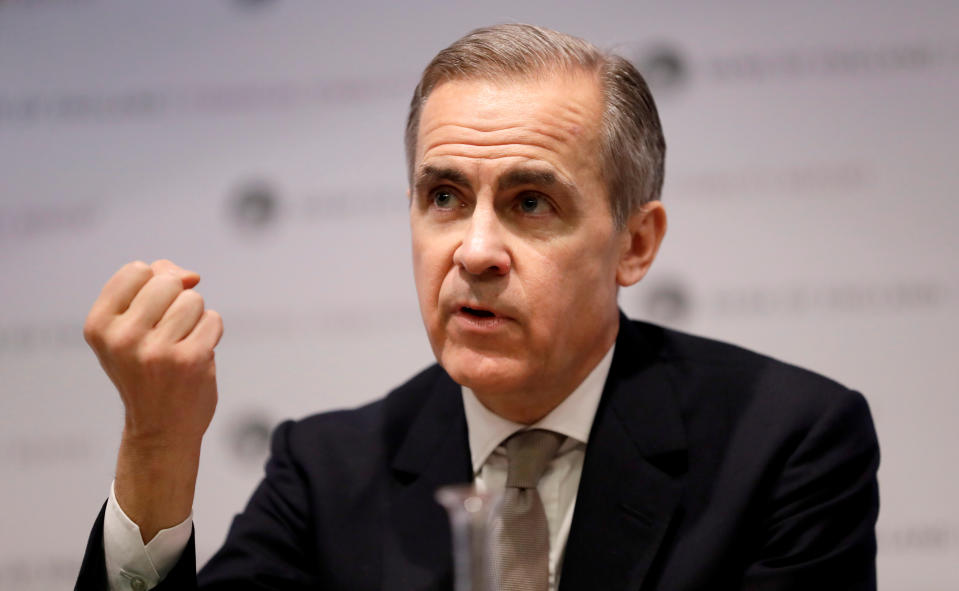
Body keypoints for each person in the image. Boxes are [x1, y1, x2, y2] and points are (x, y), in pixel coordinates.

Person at [75, 24, 879, 591]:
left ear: (635, 244)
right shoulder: (327, 471)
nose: (474, 250)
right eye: (444, 196)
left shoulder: (785, 444)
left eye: (530, 202)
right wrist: (157, 444)